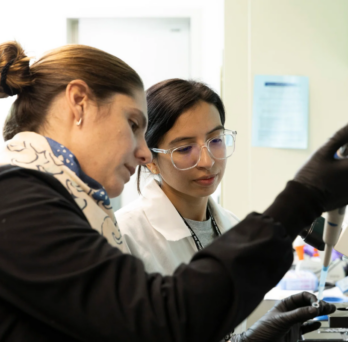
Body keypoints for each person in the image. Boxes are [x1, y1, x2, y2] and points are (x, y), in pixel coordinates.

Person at [0, 40, 346, 342]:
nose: (143, 151)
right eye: (133, 124)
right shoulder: (18, 200)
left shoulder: (51, 199)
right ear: (79, 101)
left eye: (216, 139)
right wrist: (303, 198)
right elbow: (161, 321)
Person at [116, 79, 239, 275]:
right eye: (184, 148)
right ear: (150, 160)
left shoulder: (234, 226)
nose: (207, 161)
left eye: (216, 140)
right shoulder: (124, 235)